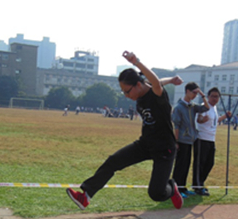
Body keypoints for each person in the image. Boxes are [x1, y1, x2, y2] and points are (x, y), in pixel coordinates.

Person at [67, 51, 184, 210]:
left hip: (165, 148)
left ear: (137, 84)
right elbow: (155, 82)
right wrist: (170, 80)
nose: (126, 95)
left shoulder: (158, 96)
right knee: (113, 161)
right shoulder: (141, 92)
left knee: (156, 193)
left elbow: (156, 83)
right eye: (123, 92)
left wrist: (137, 62)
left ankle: (172, 188)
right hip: (145, 144)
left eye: (127, 91)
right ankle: (85, 196)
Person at [171, 82, 209, 197]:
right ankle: (176, 189)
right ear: (187, 91)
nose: (195, 96)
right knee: (180, 165)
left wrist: (202, 95)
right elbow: (176, 126)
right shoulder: (179, 108)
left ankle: (183, 188)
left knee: (186, 165)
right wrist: (176, 141)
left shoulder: (192, 106)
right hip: (182, 140)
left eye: (196, 94)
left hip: (190, 140)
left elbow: (206, 107)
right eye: (194, 93)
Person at [192, 87, 231, 196]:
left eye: (217, 96)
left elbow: (214, 121)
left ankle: (201, 183)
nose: (215, 98)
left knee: (209, 163)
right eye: (212, 96)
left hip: (211, 139)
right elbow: (199, 118)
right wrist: (201, 120)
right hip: (201, 138)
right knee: (200, 163)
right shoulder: (204, 107)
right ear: (208, 97)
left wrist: (224, 116)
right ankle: (197, 186)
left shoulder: (214, 108)